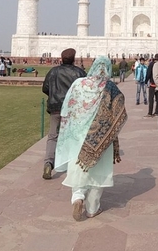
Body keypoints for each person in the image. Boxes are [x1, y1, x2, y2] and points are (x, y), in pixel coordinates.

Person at [54, 56, 128, 221]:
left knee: (78, 167)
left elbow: (67, 107)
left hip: (78, 135)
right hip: (100, 136)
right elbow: (120, 109)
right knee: (98, 173)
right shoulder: (110, 87)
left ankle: (78, 197)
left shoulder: (78, 83)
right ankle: (92, 209)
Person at [41, 48, 86, 180]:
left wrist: (54, 96)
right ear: (73, 59)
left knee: (53, 136)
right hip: (72, 109)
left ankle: (48, 163)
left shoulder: (53, 72)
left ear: (61, 59)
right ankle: (74, 165)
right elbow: (84, 89)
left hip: (55, 107)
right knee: (74, 135)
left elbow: (45, 88)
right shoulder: (79, 72)